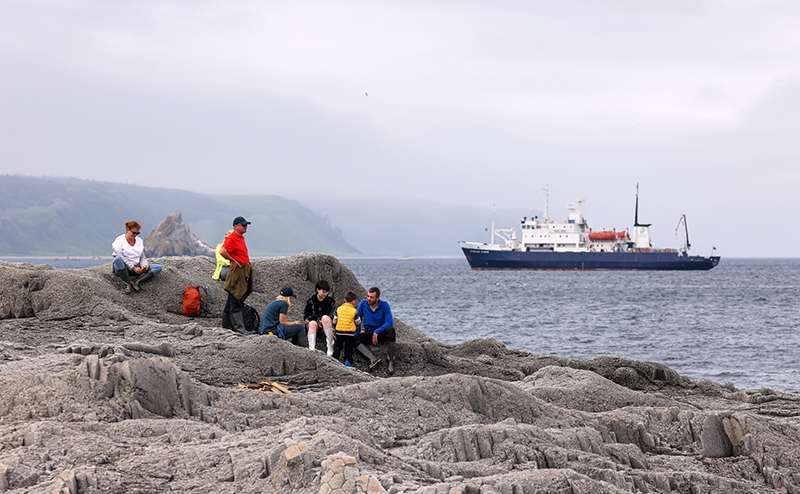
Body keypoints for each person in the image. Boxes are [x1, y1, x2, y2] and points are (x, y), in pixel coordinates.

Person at [218, 217, 253, 334]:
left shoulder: (241, 238)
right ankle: (240, 329)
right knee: (236, 299)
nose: (245, 226)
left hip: (243, 270)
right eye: (243, 225)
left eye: (246, 225)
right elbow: (222, 251)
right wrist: (232, 260)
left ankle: (227, 328)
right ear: (236, 226)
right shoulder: (232, 237)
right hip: (237, 272)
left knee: (231, 300)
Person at [354, 286, 398, 373]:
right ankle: (372, 358)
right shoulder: (363, 304)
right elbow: (358, 320)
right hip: (369, 333)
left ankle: (390, 360)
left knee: (391, 330)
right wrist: (357, 334)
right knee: (353, 339)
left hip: (381, 332)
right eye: (368, 296)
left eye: (371, 297)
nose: (368, 299)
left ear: (378, 298)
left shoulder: (384, 305)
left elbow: (389, 322)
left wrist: (377, 331)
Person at [112, 220, 162, 295]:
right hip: (123, 267)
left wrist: (144, 266)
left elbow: (142, 256)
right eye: (133, 232)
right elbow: (120, 256)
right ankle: (127, 283)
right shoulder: (119, 241)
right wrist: (133, 268)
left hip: (136, 267)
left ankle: (137, 281)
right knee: (117, 259)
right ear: (128, 230)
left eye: (137, 233)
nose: (135, 235)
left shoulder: (139, 241)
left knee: (158, 267)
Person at [303, 280, 336, 355]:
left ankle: (330, 346)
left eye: (327, 292)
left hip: (326, 324)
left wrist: (318, 318)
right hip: (314, 324)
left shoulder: (330, 301)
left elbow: (331, 313)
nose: (325, 294)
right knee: (312, 323)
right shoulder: (311, 301)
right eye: (323, 292)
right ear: (317, 290)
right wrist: (316, 319)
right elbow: (306, 316)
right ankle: (311, 349)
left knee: (325, 318)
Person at [332, 290, 362, 367]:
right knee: (348, 348)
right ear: (353, 301)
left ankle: (335, 360)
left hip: (339, 331)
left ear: (345, 300)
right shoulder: (354, 311)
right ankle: (348, 362)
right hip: (349, 333)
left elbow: (334, 321)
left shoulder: (338, 309)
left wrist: (333, 330)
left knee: (338, 346)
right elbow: (358, 322)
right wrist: (357, 326)